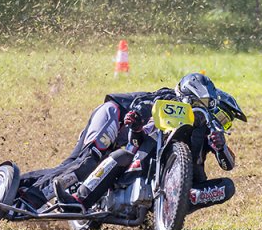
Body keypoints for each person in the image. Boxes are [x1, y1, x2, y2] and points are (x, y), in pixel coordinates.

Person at [17, 85, 177, 209]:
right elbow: (143, 126)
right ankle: (31, 199)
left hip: (123, 137)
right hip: (114, 115)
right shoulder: (170, 101)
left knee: (70, 166)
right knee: (88, 161)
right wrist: (137, 123)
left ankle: (19, 184)